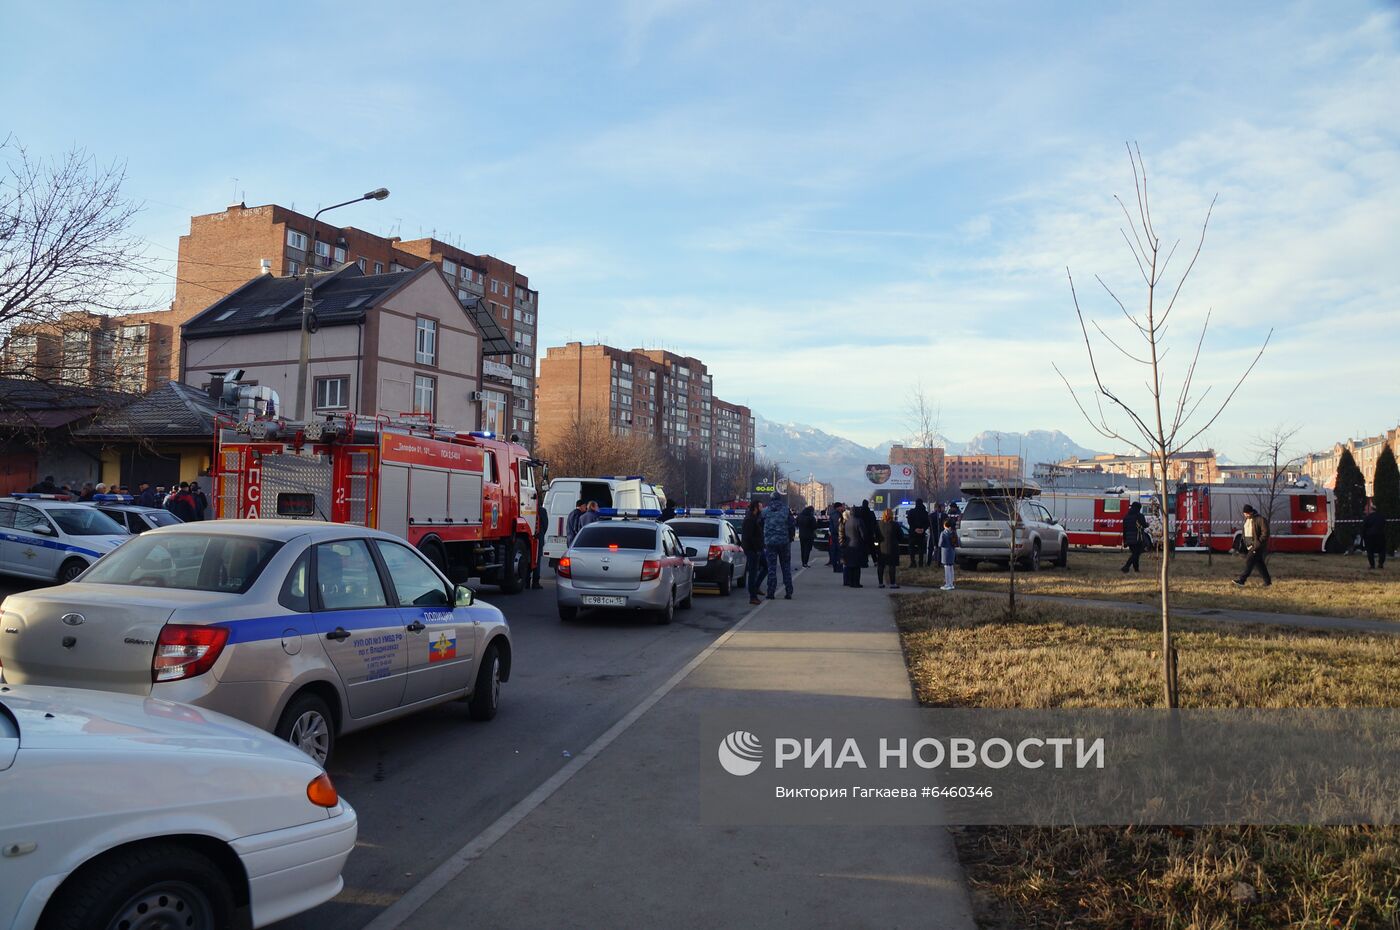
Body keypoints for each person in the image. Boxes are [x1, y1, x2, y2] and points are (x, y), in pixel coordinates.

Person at [762, 491, 794, 600]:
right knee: (786, 567)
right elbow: (791, 525)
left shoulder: (765, 511)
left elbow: (760, 524)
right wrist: (790, 538)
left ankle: (771, 592)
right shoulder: (786, 510)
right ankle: (788, 591)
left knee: (772, 568)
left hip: (770, 543)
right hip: (784, 542)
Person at [1232, 504, 1272, 588]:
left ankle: (1242, 581)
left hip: (1257, 546)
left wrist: (1258, 543)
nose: (1245, 515)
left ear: (1250, 512)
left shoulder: (1260, 520)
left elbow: (1265, 533)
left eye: (1246, 513)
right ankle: (1268, 582)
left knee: (1249, 561)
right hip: (1250, 546)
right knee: (1260, 564)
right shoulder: (1247, 520)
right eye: (1244, 514)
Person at [742, 501, 767, 605]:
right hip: (752, 550)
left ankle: (756, 587)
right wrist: (756, 549)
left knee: (766, 566)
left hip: (758, 549)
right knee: (752, 572)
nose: (762, 507)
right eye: (761, 506)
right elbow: (749, 537)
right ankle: (753, 596)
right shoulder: (749, 519)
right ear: (756, 507)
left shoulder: (756, 518)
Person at [842, 504, 866, 588]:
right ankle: (856, 582)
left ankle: (851, 582)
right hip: (857, 545)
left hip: (849, 545)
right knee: (856, 566)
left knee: (850, 565)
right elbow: (863, 535)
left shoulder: (847, 521)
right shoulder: (859, 521)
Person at [1120, 501, 1149, 573]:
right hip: (1137, 537)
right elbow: (1144, 525)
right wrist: (1147, 524)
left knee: (1135, 554)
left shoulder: (1126, 516)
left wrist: (1125, 540)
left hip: (1129, 538)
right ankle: (1126, 566)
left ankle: (1136, 569)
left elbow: (1124, 529)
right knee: (1136, 553)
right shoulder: (1139, 516)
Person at [877, 509, 901, 589]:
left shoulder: (879, 524)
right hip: (893, 547)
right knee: (892, 566)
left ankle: (880, 583)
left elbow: (876, 535)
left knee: (881, 565)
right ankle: (892, 583)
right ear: (892, 515)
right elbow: (901, 535)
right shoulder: (895, 525)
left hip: (881, 547)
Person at [1361, 504, 1387, 570]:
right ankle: (1380, 564)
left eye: (1366, 510)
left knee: (1370, 551)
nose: (1365, 511)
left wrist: (1363, 537)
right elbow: (1385, 525)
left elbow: (1364, 528)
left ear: (1370, 510)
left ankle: (1372, 565)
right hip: (1380, 535)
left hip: (1370, 536)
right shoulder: (1381, 516)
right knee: (1382, 550)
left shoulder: (1367, 518)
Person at [906, 499, 930, 568]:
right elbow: (927, 523)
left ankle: (913, 562)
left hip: (913, 533)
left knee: (911, 549)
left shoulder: (912, 512)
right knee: (921, 549)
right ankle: (921, 563)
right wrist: (923, 529)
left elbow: (909, 521)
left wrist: (914, 529)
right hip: (921, 534)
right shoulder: (925, 512)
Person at [937, 518, 959, 591]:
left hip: (945, 552)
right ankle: (952, 583)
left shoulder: (943, 533)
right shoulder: (954, 532)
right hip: (952, 551)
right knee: (951, 567)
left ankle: (948, 584)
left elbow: (940, 544)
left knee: (946, 568)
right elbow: (958, 542)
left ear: (945, 525)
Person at [531, 502, 548, 588]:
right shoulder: (542, 510)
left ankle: (527, 581)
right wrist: (541, 534)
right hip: (538, 538)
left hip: (529, 538)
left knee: (528, 559)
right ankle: (535, 582)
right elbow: (545, 525)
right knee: (537, 561)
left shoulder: (527, 509)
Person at [828, 503, 845, 573]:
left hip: (834, 535)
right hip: (837, 535)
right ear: (838, 507)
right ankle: (838, 567)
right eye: (841, 507)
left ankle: (836, 567)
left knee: (835, 551)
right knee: (838, 552)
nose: (842, 508)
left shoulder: (834, 514)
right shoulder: (836, 515)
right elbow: (837, 526)